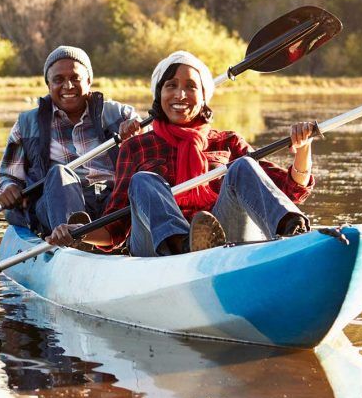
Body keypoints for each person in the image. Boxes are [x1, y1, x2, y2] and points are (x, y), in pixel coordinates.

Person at [47, 50, 316, 256]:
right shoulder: (137, 145)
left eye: (191, 86)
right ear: (159, 94)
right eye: (171, 85)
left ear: (202, 98)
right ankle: (182, 245)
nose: (181, 94)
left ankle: (295, 235)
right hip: (157, 250)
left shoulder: (228, 142)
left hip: (223, 236)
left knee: (243, 166)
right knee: (144, 180)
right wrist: (78, 234)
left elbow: (290, 190)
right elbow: (117, 229)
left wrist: (303, 149)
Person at [0, 45, 142, 236]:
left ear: (89, 81)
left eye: (75, 78)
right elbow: (8, 176)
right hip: (54, 203)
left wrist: (137, 133)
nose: (68, 86)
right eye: (59, 80)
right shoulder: (26, 124)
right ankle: (73, 240)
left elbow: (150, 157)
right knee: (59, 173)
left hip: (112, 202)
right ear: (49, 85)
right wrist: (7, 188)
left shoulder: (121, 115)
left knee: (141, 182)